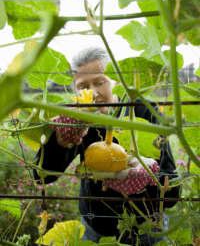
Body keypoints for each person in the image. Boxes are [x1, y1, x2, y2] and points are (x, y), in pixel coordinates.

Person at [33, 46, 179, 245]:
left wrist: (146, 178)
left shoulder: (145, 112)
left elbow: (173, 193)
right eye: (83, 87)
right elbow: (43, 175)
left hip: (148, 231)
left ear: (116, 81)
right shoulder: (79, 119)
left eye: (100, 82)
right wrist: (64, 137)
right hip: (95, 231)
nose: (92, 93)